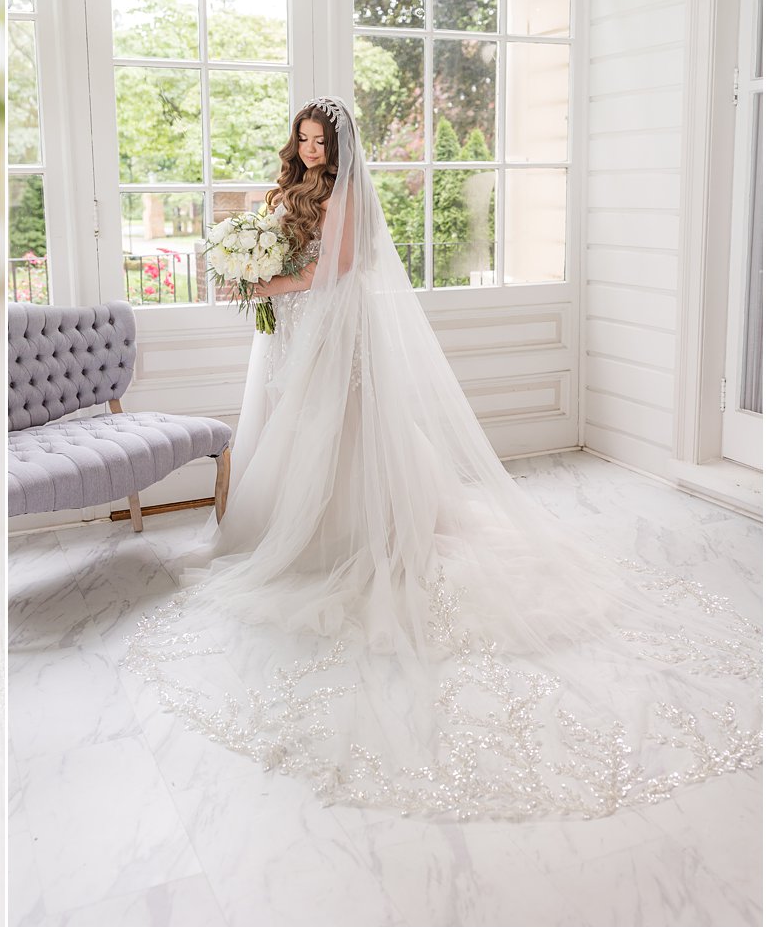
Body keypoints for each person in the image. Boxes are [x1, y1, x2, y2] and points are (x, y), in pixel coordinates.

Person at [125, 95, 761, 819]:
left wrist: (260, 282)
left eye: (318, 141)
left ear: (338, 146)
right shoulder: (295, 190)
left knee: (341, 428)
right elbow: (295, 255)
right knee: (297, 432)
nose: (308, 150)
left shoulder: (346, 197)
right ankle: (296, 526)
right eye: (301, 140)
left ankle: (350, 530)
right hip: (296, 333)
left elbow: (327, 275)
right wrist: (259, 262)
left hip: (334, 330)